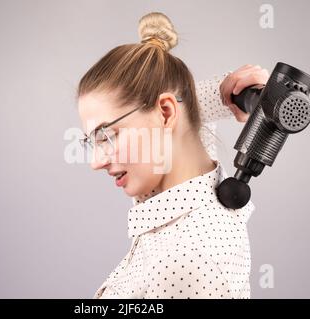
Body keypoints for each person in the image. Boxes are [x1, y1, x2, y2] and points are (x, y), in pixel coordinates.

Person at [77, 12, 269, 299]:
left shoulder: (187, 262)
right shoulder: (184, 165)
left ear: (166, 112)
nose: (96, 162)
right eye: (93, 141)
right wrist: (224, 92)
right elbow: (187, 114)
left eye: (108, 135)